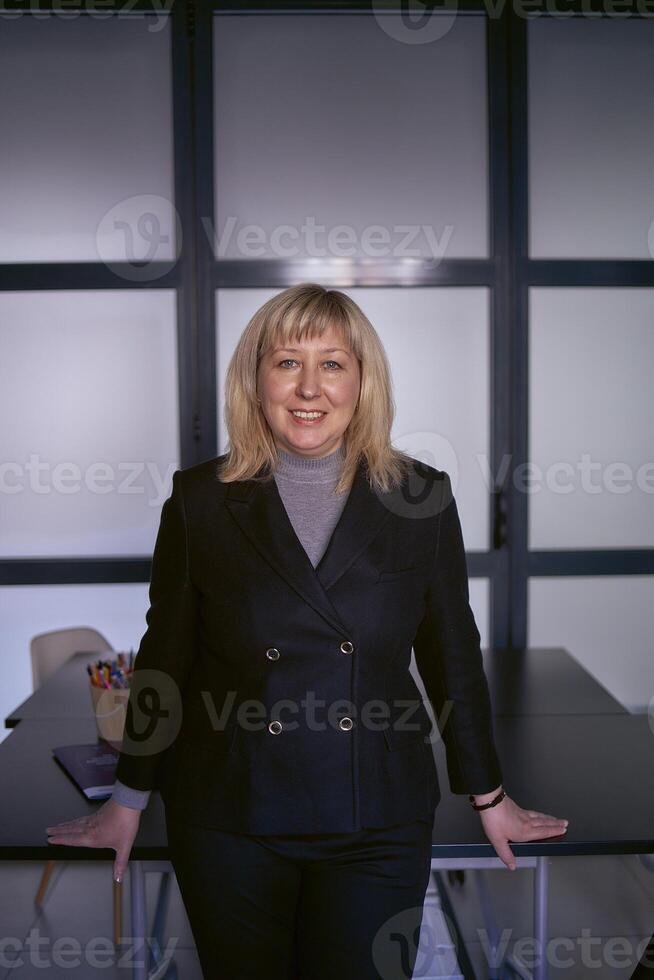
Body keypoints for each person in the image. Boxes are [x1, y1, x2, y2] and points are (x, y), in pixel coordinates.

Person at [46, 283, 568, 979]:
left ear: (363, 382)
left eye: (333, 363)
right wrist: (129, 797)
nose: (309, 388)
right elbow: (166, 659)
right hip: (231, 815)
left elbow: (452, 657)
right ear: (256, 379)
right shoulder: (201, 500)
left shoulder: (420, 497)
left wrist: (490, 796)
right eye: (288, 362)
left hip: (376, 816)